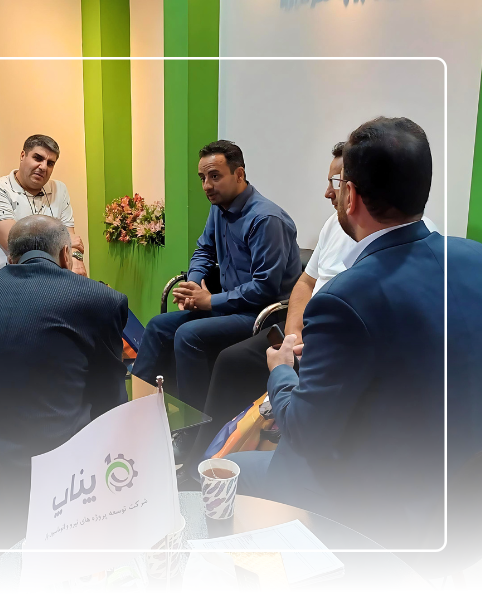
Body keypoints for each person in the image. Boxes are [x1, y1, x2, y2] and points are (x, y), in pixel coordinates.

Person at [229, 117, 482, 548]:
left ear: (351, 195)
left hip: (376, 503)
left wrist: (281, 370)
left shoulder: (346, 298)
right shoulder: (473, 258)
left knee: (225, 471)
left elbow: (305, 432)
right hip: (459, 495)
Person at [184, 141, 438, 471]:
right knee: (230, 360)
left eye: (336, 183)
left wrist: (287, 362)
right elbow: (305, 283)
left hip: (331, 342)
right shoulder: (335, 225)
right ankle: (208, 451)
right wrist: (293, 333)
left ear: (356, 190)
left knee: (204, 344)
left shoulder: (400, 247)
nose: (328, 193)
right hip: (302, 329)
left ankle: (237, 464)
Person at [0, 214, 127, 480]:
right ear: (66, 255)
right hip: (51, 471)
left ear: (10, 258)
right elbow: (109, 396)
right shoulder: (100, 299)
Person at [132, 140, 300, 411]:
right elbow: (204, 250)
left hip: (262, 314)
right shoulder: (219, 208)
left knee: (188, 335)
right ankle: (137, 409)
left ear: (239, 174)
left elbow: (265, 288)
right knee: (157, 326)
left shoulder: (266, 219)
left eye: (214, 176)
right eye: (202, 178)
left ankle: (196, 425)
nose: (206, 186)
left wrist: (209, 301)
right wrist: (193, 285)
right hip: (229, 308)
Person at [0, 134, 86, 278]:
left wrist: (76, 258)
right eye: (37, 158)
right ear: (22, 156)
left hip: (44, 276)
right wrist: (63, 241)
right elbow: (17, 246)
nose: (43, 167)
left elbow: (71, 242)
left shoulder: (59, 189)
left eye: (50, 163)